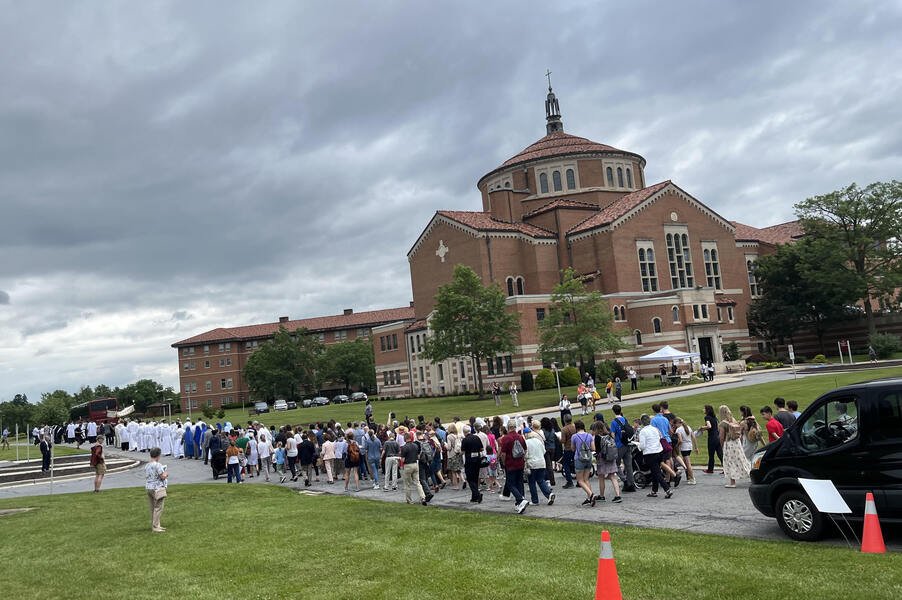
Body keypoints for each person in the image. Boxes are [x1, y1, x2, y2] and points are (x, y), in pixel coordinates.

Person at [638, 414, 672, 499]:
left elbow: (642, 446)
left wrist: (638, 446)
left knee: (656, 473)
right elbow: (660, 438)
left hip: (650, 454)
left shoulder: (643, 431)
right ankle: (654, 490)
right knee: (654, 471)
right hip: (659, 451)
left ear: (642, 422)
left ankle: (667, 489)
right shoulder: (655, 429)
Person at [498, 421, 529, 514]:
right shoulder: (520, 437)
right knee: (519, 483)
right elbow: (525, 449)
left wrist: (504, 463)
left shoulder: (506, 438)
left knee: (511, 484)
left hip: (510, 463)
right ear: (515, 427)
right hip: (520, 463)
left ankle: (520, 499)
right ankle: (519, 502)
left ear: (508, 427)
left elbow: (503, 453)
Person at [718, 405, 750, 488]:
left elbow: (721, 437)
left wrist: (721, 446)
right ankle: (750, 474)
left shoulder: (723, 423)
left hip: (728, 444)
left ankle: (732, 482)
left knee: (730, 462)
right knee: (741, 460)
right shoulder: (733, 420)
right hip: (736, 443)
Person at [609, 404, 636, 492]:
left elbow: (613, 434)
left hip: (619, 445)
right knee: (628, 465)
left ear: (613, 411)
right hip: (627, 444)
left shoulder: (614, 422)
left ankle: (625, 481)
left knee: (616, 464)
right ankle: (631, 484)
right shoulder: (625, 419)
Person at [525, 427, 555, 505]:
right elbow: (544, 451)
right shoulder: (538, 441)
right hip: (541, 463)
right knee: (541, 480)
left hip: (532, 464)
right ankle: (548, 494)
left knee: (532, 482)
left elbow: (526, 454)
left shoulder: (526, 442)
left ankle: (535, 500)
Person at [592, 421, 621, 503]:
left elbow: (597, 450)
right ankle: (618, 495)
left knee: (601, 477)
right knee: (613, 476)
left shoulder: (598, 437)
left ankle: (602, 496)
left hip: (602, 459)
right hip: (611, 457)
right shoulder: (609, 435)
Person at [571, 420, 596, 506]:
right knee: (586, 479)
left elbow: (573, 448)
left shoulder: (574, 436)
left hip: (579, 459)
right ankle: (589, 498)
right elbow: (593, 448)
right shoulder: (589, 435)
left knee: (580, 480)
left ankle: (591, 494)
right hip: (588, 458)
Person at [400, 432, 428, 505]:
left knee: (407, 484)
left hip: (408, 465)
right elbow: (418, 456)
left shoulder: (404, 447)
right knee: (417, 482)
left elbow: (402, 460)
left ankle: (409, 500)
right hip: (415, 464)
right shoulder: (415, 445)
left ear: (405, 439)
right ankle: (423, 497)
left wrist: (400, 460)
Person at [145, 448, 168, 532]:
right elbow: (162, 476)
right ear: (158, 455)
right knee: (158, 506)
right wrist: (166, 474)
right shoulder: (157, 465)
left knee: (153, 507)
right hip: (157, 487)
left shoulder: (147, 465)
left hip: (149, 487)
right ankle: (155, 526)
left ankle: (156, 524)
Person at [460, 425, 484, 503]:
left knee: (470, 479)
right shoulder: (476, 437)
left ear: (464, 432)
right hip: (477, 460)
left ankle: (477, 494)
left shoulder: (465, 440)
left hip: (469, 461)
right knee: (475, 478)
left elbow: (463, 452)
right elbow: (482, 449)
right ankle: (474, 497)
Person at [673, 417, 697, 485]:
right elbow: (693, 437)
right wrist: (696, 447)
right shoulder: (688, 427)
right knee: (686, 462)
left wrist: (676, 446)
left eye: (675, 424)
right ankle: (689, 477)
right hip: (689, 446)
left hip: (684, 447)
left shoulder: (678, 430)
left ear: (677, 423)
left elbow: (680, 440)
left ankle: (692, 478)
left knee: (688, 464)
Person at [699, 404, 723, 474]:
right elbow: (717, 427)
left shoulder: (707, 417)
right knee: (720, 454)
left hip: (712, 438)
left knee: (711, 455)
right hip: (717, 437)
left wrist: (702, 428)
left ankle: (710, 469)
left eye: (704, 409)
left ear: (707, 410)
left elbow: (709, 426)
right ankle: (726, 469)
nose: (703, 410)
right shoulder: (715, 418)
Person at [560, 414, 576, 489]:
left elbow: (563, 440)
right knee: (576, 463)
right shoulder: (574, 427)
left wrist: (558, 439)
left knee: (566, 464)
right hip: (575, 448)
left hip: (568, 448)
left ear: (564, 420)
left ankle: (569, 481)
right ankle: (579, 480)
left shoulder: (564, 429)